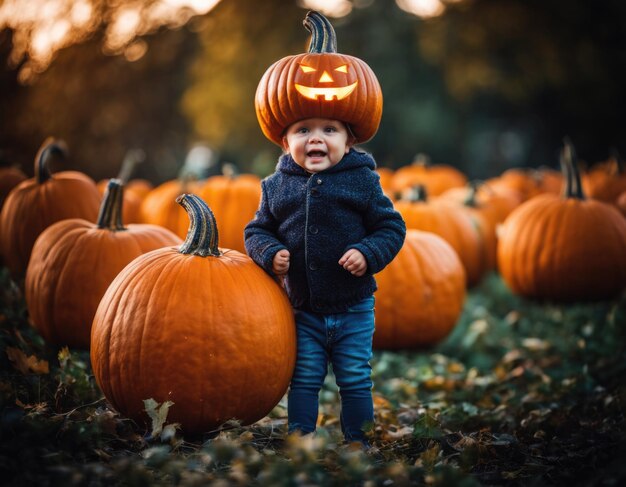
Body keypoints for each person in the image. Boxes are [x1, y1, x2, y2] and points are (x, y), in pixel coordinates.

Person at [245, 11, 405, 447]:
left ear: (349, 140)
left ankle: (359, 442)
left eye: (329, 129)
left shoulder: (362, 180)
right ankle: (301, 441)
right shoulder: (276, 186)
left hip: (354, 309)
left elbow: (392, 227)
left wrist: (369, 253)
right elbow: (256, 230)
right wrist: (269, 252)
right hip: (304, 310)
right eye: (303, 130)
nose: (316, 138)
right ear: (284, 141)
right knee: (305, 380)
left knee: (355, 379)